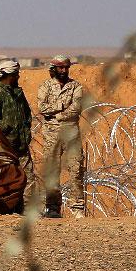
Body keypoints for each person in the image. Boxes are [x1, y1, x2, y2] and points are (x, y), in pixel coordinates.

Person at [35, 54, 87, 219]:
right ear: (54, 69)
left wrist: (57, 115)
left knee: (76, 170)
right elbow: (42, 108)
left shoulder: (75, 87)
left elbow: (76, 108)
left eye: (66, 67)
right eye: (60, 67)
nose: (64, 70)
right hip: (51, 134)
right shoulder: (46, 87)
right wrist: (62, 105)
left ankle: (77, 207)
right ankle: (52, 208)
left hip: (71, 132)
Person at [0, 59, 34, 204]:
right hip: (6, 145)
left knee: (28, 177)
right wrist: (6, 129)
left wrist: (26, 128)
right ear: (10, 75)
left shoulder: (17, 93)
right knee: (7, 178)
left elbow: (26, 113)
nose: (18, 77)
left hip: (21, 144)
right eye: (16, 74)